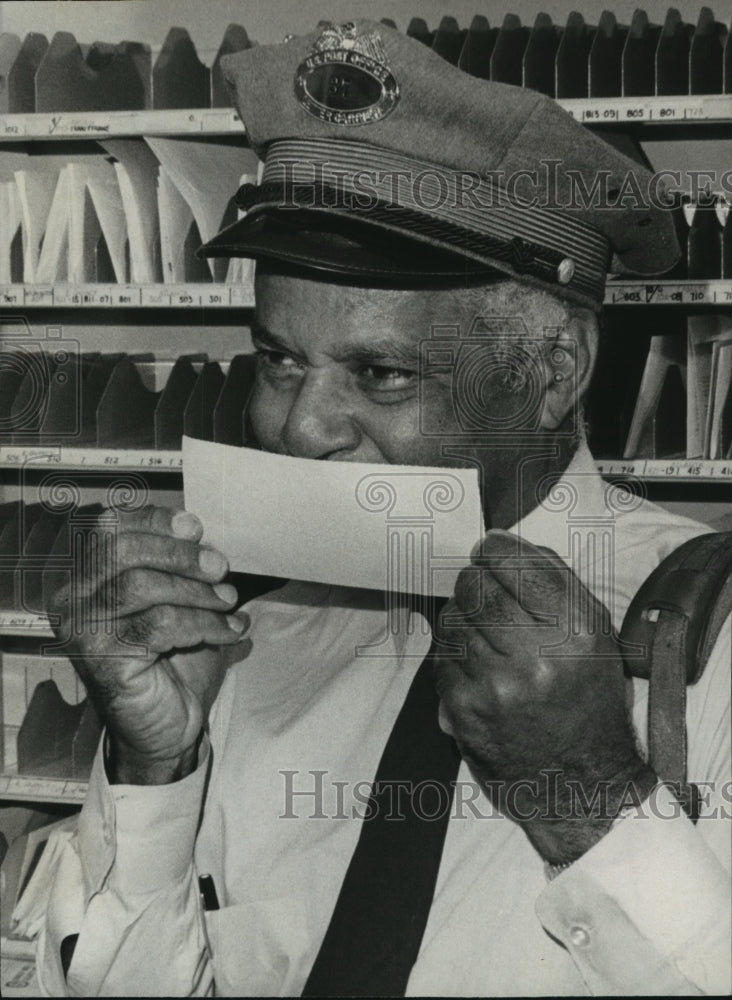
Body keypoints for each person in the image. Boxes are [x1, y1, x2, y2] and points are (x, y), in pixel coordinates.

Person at [38, 19, 730, 997]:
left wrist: (594, 799)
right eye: (279, 359)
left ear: (553, 369)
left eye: (382, 372)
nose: (301, 426)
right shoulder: (252, 637)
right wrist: (158, 762)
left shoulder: (709, 644)